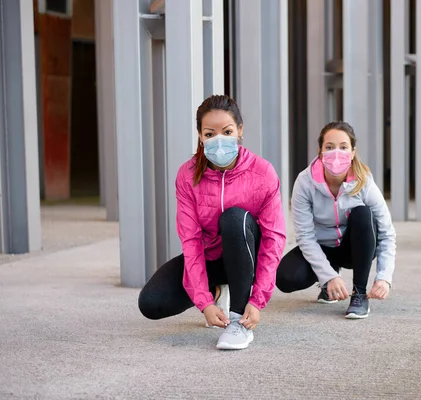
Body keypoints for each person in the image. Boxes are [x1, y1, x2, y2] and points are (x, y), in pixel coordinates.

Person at [138, 95, 286, 350]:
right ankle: (220, 292)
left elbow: (274, 239)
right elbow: (191, 240)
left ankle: (238, 320)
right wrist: (204, 301)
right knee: (151, 302)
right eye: (210, 133)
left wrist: (257, 299)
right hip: (211, 258)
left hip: (245, 253)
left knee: (233, 219)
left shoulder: (263, 172)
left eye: (227, 131)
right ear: (200, 136)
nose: (219, 140)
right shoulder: (187, 174)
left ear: (240, 130)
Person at [276, 121, 396, 319]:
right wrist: (328, 276)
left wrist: (384, 277)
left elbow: (386, 233)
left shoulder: (364, 181)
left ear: (353, 151)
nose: (336, 153)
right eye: (329, 147)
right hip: (322, 246)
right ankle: (329, 282)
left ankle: (359, 294)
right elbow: (305, 236)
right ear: (320, 151)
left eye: (343, 147)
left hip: (353, 248)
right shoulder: (304, 182)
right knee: (285, 278)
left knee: (363, 214)